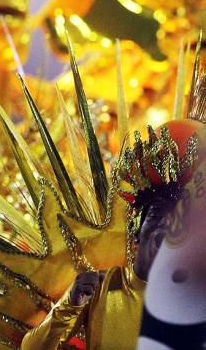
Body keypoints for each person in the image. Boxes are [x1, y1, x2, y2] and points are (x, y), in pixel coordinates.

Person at [21, 123, 199, 350]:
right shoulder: (102, 288)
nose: (166, 227)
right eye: (157, 217)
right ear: (136, 234)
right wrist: (70, 304)